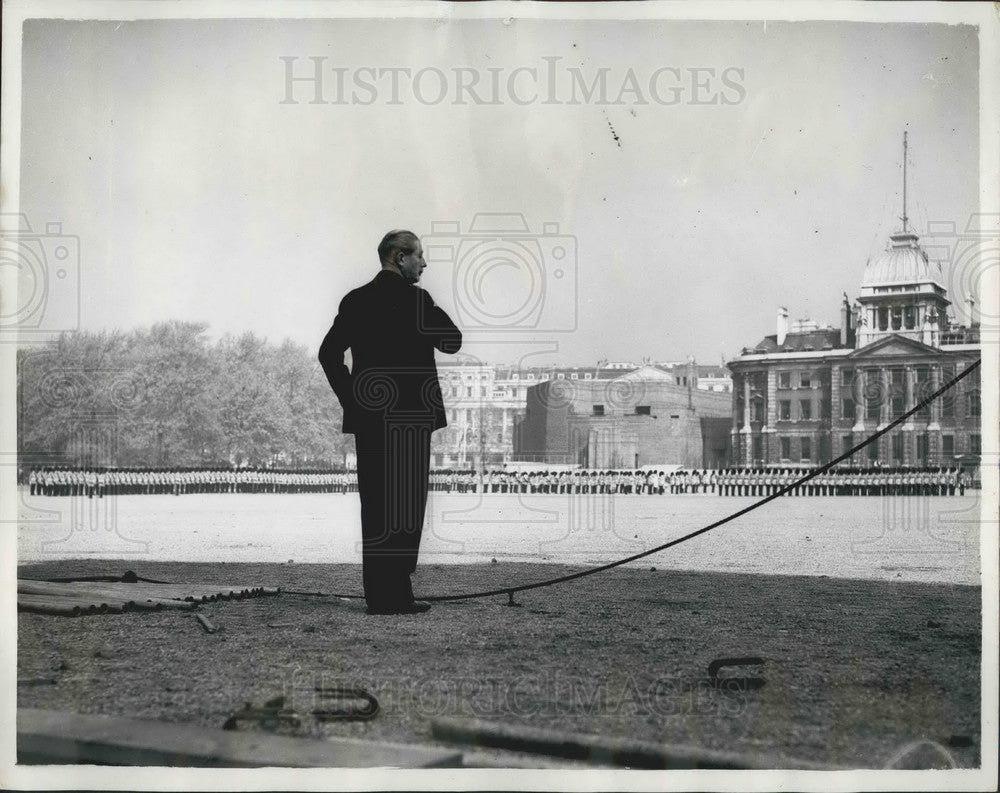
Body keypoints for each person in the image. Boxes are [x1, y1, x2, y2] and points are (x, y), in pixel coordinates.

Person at [319, 229, 462, 615]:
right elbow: (452, 340)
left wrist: (353, 400)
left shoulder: (355, 300)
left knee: (377, 505)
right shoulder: (418, 300)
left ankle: (381, 596)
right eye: (419, 256)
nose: (424, 263)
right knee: (407, 506)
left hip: (370, 419)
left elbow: (328, 354)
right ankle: (398, 593)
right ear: (400, 257)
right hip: (412, 419)